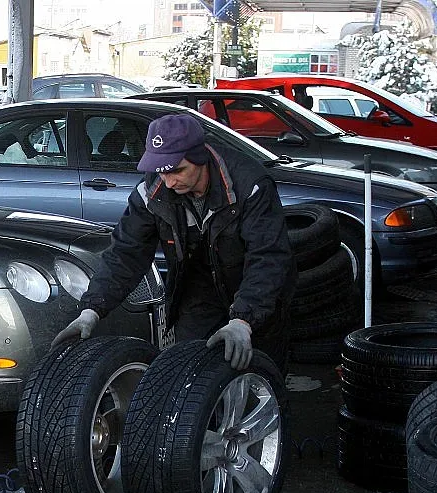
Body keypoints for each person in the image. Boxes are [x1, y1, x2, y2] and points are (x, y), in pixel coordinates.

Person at [52, 113, 297, 375]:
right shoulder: (152, 192)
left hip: (255, 291)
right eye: (161, 171)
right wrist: (92, 309)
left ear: (199, 157)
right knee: (189, 370)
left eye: (177, 170)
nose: (168, 182)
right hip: (197, 290)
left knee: (259, 371)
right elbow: (125, 254)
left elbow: (267, 256)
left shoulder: (250, 186)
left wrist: (244, 320)